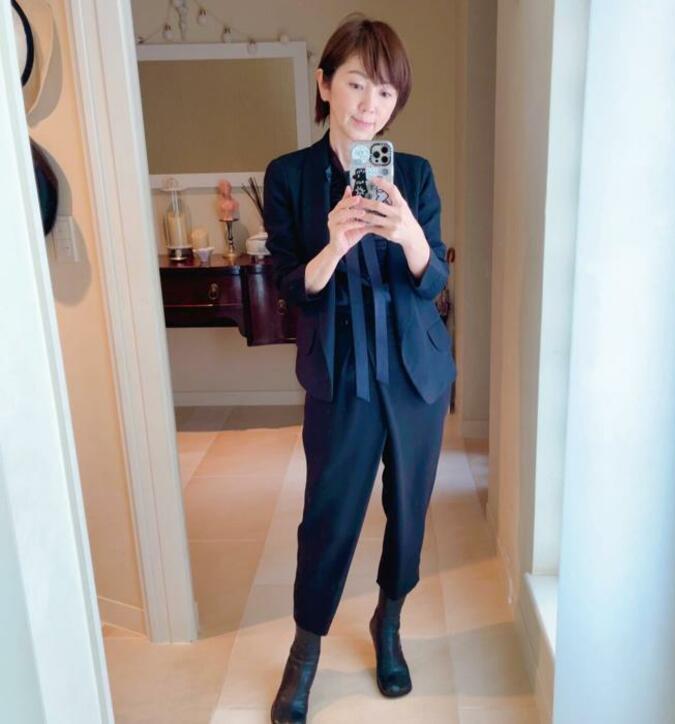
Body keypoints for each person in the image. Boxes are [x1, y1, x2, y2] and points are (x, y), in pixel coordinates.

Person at [263, 14, 456, 723]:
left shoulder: (415, 175)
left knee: (408, 512)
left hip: (415, 377)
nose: (369, 104)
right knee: (328, 516)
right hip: (341, 377)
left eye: (385, 91)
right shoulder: (289, 177)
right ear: (324, 85)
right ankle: (304, 652)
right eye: (355, 84)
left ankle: (389, 622)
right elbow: (291, 285)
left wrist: (409, 235)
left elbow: (433, 283)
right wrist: (334, 245)